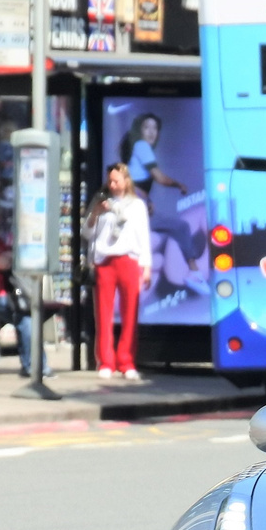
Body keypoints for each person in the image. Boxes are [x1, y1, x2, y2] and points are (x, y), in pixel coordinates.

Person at [87, 162, 152, 380]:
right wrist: (95, 213)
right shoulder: (101, 202)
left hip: (128, 259)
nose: (113, 184)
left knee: (130, 314)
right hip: (104, 260)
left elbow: (144, 236)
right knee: (103, 314)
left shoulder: (137, 206)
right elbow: (87, 232)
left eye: (116, 180)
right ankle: (106, 361)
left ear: (126, 181)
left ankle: (126, 361)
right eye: (110, 180)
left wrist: (146, 266)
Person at [0, 202, 52, 378]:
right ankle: (35, 367)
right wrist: (9, 257)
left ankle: (33, 365)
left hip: (4, 292)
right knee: (24, 317)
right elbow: (3, 263)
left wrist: (9, 256)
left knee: (28, 314)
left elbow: (14, 255)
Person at [121, 114, 186, 199]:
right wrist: (179, 185)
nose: (151, 132)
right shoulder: (142, 145)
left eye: (155, 128)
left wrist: (148, 200)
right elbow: (160, 178)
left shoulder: (139, 147)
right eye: (146, 127)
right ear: (139, 131)